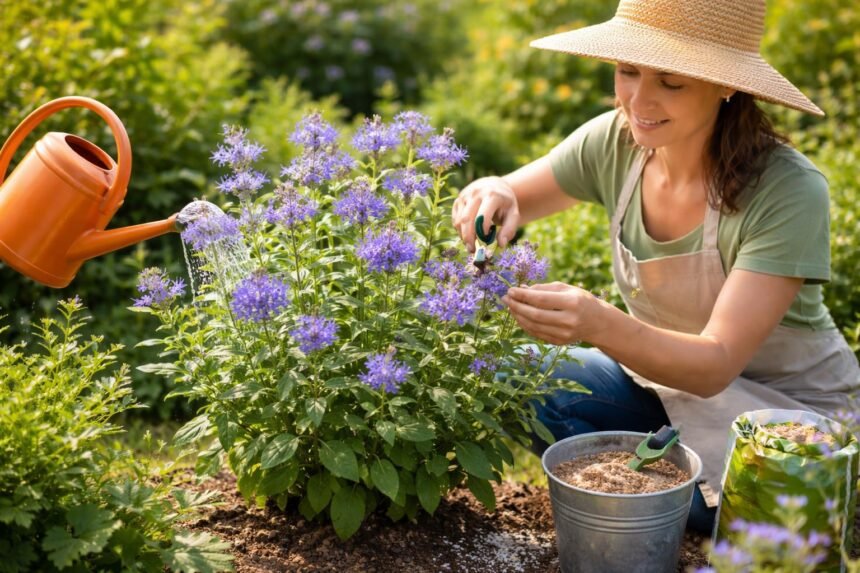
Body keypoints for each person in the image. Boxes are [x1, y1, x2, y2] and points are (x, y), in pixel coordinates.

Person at [451, 0, 860, 534]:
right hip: (669, 394)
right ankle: (666, 485)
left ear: (726, 85)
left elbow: (716, 364)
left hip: (786, 426)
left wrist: (597, 322)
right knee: (509, 372)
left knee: (709, 511)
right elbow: (515, 194)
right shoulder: (617, 141)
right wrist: (492, 191)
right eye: (627, 72)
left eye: (671, 81)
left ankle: (706, 503)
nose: (639, 100)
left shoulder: (786, 190)